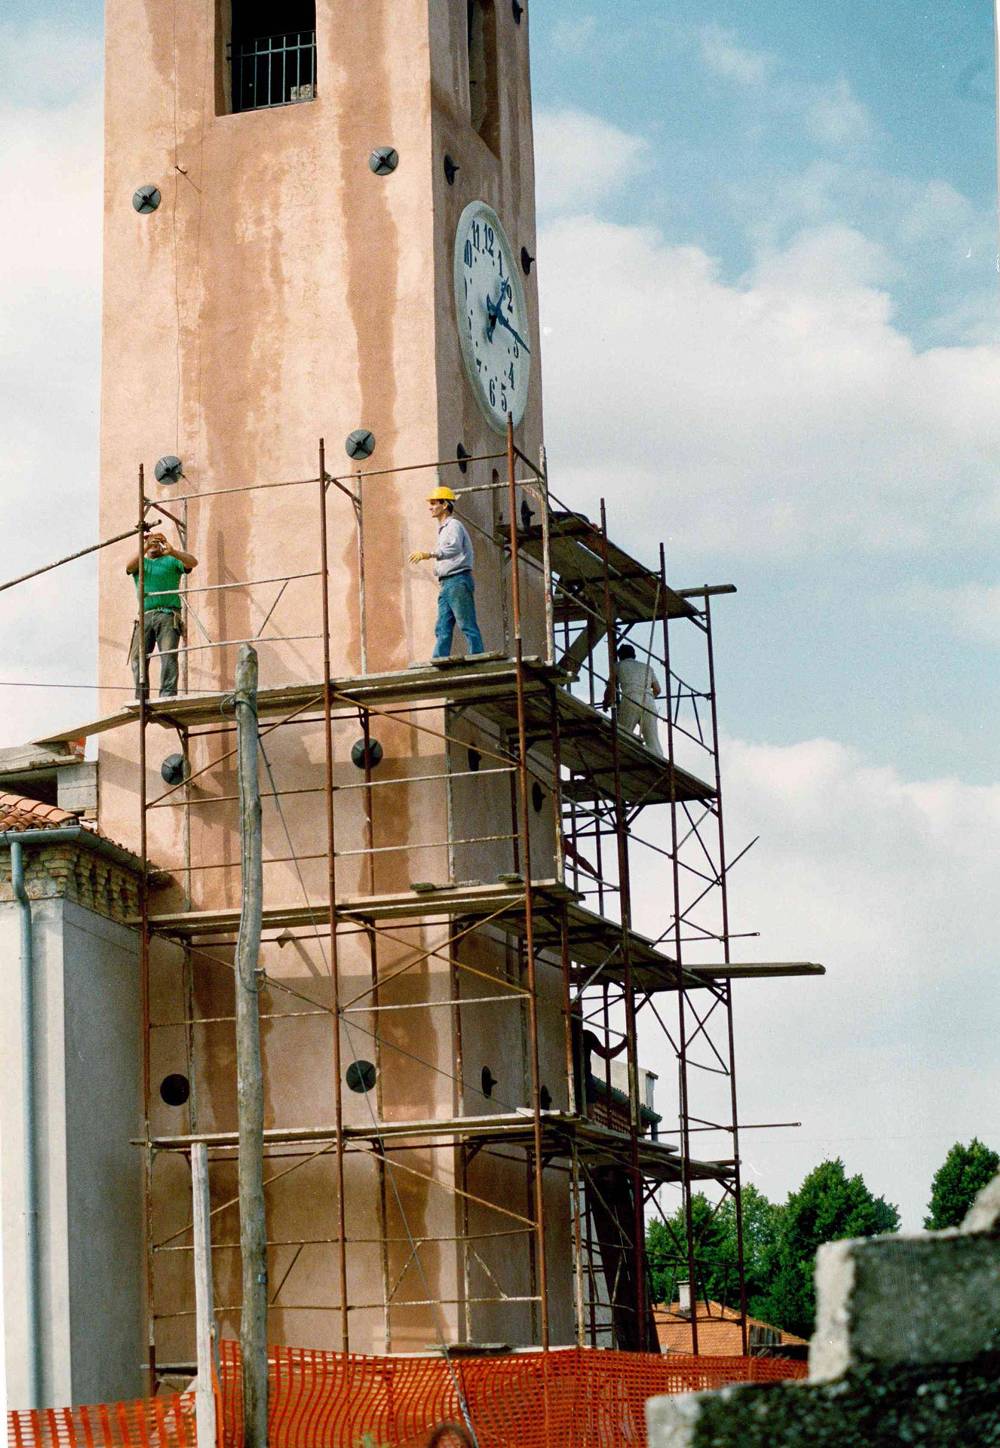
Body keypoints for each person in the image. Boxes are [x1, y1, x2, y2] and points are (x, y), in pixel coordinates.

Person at [408, 485, 485, 660]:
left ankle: (478, 655)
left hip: (457, 580)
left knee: (466, 622)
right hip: (448, 582)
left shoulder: (453, 525)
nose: (430, 507)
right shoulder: (444, 528)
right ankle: (439, 658)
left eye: (434, 503)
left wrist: (429, 554)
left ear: (444, 505)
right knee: (443, 625)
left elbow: (453, 548)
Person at [125, 530, 198, 697]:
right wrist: (144, 547)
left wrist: (172, 551)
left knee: (168, 654)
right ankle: (141, 696)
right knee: (138, 657)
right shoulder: (140, 563)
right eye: (147, 540)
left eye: (155, 540)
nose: (152, 543)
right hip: (145, 615)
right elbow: (128, 567)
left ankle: (167, 693)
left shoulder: (171, 561)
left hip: (167, 614)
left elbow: (192, 562)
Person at [603, 643, 664, 758]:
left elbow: (611, 688)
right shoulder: (647, 667)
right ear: (634, 655)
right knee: (652, 740)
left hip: (631, 698)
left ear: (620, 656)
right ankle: (659, 763)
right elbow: (657, 689)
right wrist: (648, 697)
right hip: (649, 701)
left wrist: (606, 702)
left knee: (623, 734)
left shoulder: (618, 666)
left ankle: (620, 759)